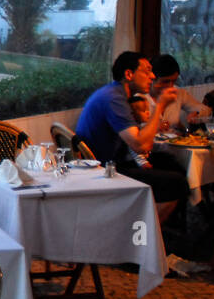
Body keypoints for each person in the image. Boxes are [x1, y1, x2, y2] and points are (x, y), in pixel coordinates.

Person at [76, 51, 189, 224]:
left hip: (109, 161)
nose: (152, 76)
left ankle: (167, 228)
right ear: (129, 74)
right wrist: (159, 106)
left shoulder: (115, 93)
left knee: (172, 164)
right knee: (177, 183)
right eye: (147, 71)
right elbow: (140, 145)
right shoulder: (114, 99)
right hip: (104, 169)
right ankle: (143, 237)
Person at [147, 54, 211, 130]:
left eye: (174, 81)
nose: (170, 86)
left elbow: (206, 110)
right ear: (152, 79)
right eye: (165, 81)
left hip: (172, 140)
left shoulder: (178, 93)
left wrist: (196, 113)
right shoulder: (141, 96)